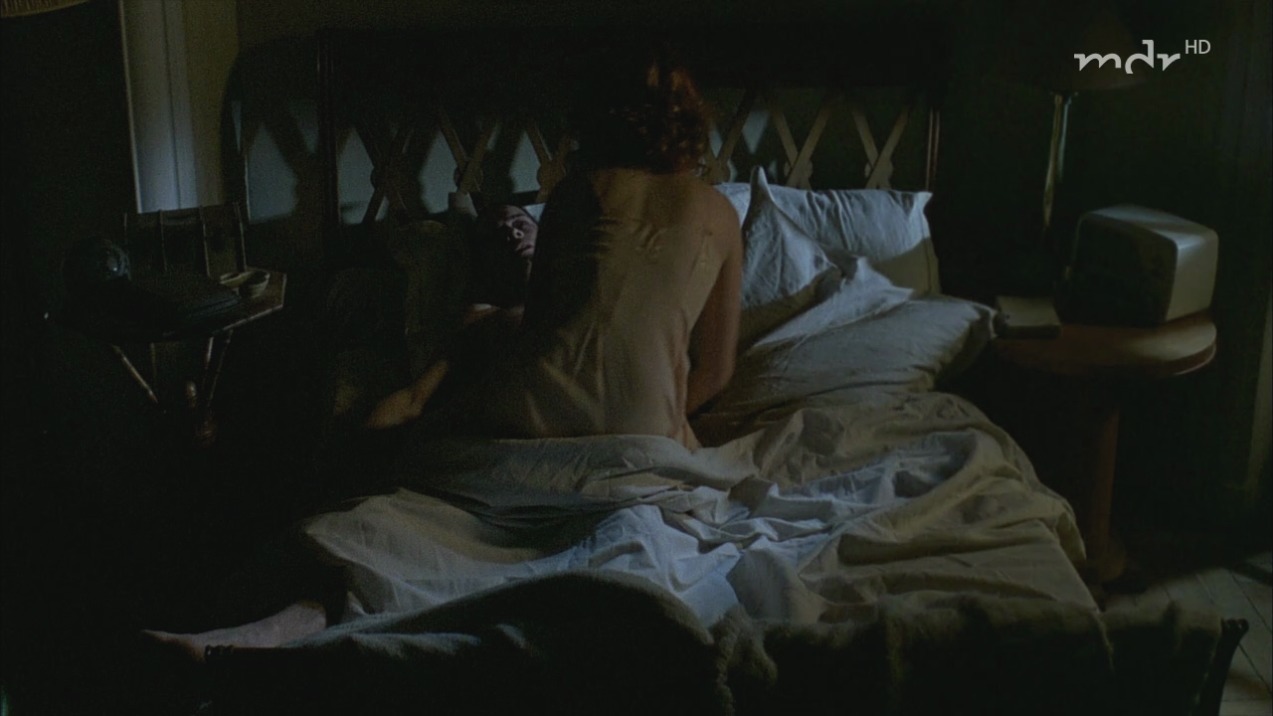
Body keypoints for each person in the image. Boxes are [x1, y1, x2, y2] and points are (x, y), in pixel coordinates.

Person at [142, 43, 742, 672]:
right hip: (637, 438)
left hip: (528, 423)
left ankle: (262, 635)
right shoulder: (721, 214)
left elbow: (549, 333)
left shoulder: (578, 193)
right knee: (620, 553)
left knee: (408, 527)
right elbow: (718, 372)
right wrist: (658, 407)